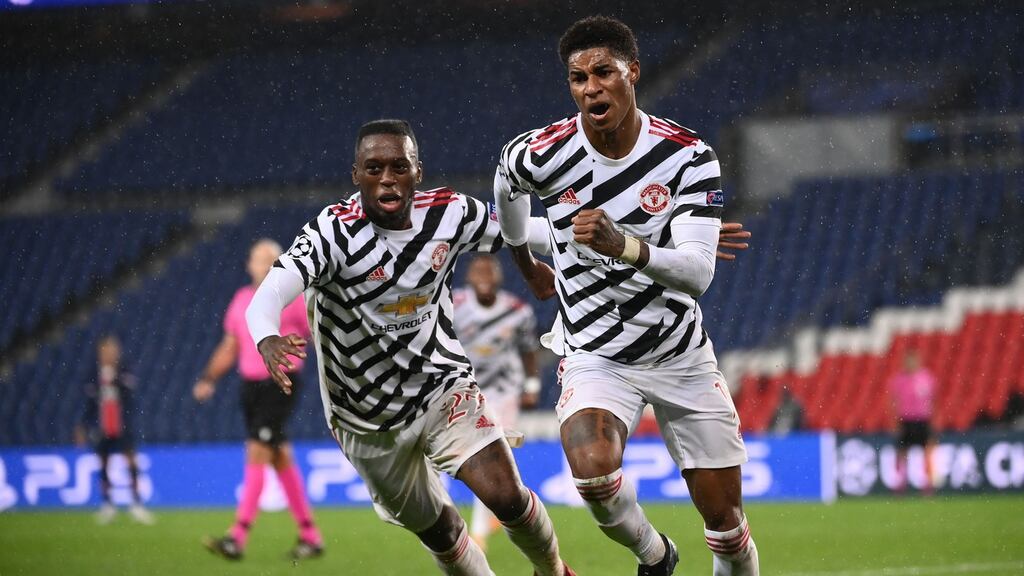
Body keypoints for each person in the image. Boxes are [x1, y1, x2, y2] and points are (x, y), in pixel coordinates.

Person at [245, 119, 574, 576]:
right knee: (443, 533)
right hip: (366, 420)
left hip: (441, 388)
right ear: (355, 174)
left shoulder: (450, 213)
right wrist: (266, 335)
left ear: (417, 172)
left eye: (399, 166)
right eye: (374, 167)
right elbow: (269, 295)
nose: (387, 178)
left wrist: (603, 235)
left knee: (506, 495)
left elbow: (531, 231)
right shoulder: (331, 234)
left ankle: (554, 571)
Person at [495, 16, 760, 576]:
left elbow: (697, 275)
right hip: (595, 353)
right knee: (592, 471)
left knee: (727, 528)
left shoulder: (689, 156)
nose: (590, 87)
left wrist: (626, 245)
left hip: (678, 354)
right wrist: (524, 261)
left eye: (603, 72)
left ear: (632, 72)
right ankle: (656, 556)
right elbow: (505, 187)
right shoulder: (539, 154)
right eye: (577, 78)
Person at [193, 239, 324, 561]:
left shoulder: (290, 300)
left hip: (280, 381)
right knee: (279, 455)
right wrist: (209, 378)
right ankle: (310, 535)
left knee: (258, 450)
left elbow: (319, 333)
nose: (263, 264)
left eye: (270, 259)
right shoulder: (240, 300)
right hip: (249, 386)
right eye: (257, 258)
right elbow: (231, 345)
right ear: (249, 265)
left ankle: (236, 537)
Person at [453, 254, 542, 551]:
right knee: (465, 453)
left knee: (492, 453)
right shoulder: (454, 305)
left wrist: (531, 386)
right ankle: (485, 513)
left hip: (505, 390)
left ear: (499, 277)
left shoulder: (517, 312)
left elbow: (529, 351)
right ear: (469, 276)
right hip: (465, 388)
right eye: (478, 271)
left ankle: (478, 532)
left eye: (489, 271)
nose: (484, 277)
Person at [76, 334, 155, 525]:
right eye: (106, 351)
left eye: (112, 350)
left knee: (131, 461)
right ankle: (108, 505)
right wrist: (83, 425)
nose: (110, 354)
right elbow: (89, 404)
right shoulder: (94, 374)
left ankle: (136, 504)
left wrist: (114, 379)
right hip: (101, 426)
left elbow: (130, 393)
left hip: (122, 424)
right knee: (103, 464)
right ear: (100, 353)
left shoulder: (124, 370)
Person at [888, 350, 937, 493]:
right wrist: (894, 421)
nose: (910, 364)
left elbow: (934, 401)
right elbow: (893, 402)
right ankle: (900, 484)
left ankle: (928, 485)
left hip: (923, 419)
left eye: (913, 361)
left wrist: (934, 420)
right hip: (906, 420)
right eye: (908, 361)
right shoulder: (898, 380)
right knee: (902, 453)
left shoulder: (927, 378)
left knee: (927, 452)